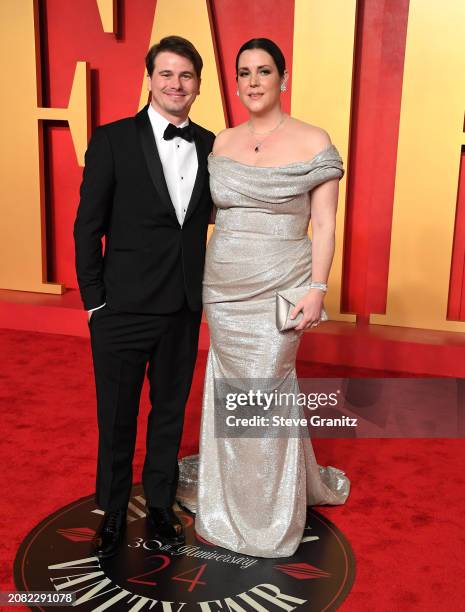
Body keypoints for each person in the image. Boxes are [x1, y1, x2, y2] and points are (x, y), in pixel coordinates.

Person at [194, 38, 350, 558]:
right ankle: (229, 500)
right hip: (225, 287)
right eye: (244, 73)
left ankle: (266, 515)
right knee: (233, 387)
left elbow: (324, 224)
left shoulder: (313, 140)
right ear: (236, 81)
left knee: (267, 387)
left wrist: (317, 288)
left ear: (284, 77)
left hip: (284, 281)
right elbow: (214, 213)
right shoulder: (221, 142)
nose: (253, 81)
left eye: (264, 71)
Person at [73, 36, 215, 558]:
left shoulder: (210, 143)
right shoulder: (112, 140)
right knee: (116, 416)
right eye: (166, 75)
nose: (176, 85)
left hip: (182, 307)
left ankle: (159, 504)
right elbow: (88, 227)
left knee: (169, 413)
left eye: (186, 76)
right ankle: (111, 511)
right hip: (121, 309)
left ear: (198, 85)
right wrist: (95, 302)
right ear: (149, 79)